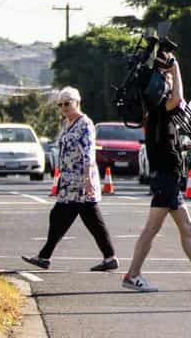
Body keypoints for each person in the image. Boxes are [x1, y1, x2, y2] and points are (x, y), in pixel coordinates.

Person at [122, 46, 191, 292]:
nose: (170, 82)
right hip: (165, 178)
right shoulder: (160, 107)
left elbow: (168, 142)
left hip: (168, 177)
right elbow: (178, 99)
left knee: (186, 227)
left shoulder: (158, 112)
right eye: (166, 80)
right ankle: (132, 275)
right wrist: (176, 67)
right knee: (151, 229)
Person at [22, 87, 118, 272]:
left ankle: (44, 256)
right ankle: (109, 257)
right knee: (89, 221)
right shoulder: (68, 123)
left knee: (60, 216)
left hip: (81, 182)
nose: (64, 107)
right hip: (69, 183)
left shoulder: (85, 124)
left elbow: (89, 152)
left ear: (77, 102)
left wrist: (88, 179)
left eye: (67, 103)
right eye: (60, 104)